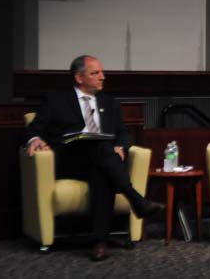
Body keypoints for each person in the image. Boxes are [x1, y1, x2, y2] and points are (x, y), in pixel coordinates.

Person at [24, 55, 164, 261]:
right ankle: (136, 200)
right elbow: (33, 129)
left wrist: (121, 146)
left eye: (102, 72)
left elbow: (123, 133)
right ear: (79, 78)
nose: (102, 77)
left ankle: (100, 242)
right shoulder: (56, 100)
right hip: (69, 161)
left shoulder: (110, 103)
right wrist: (34, 139)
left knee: (102, 167)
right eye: (95, 73)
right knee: (100, 149)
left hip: (101, 161)